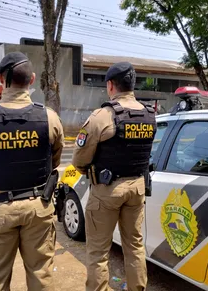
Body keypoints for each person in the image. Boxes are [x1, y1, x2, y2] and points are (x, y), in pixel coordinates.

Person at [0, 51, 65, 291]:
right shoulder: (49, 117)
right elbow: (55, 160)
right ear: (31, 79)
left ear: (0, 79)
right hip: (38, 208)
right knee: (41, 276)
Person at [72, 62, 157, 291]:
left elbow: (79, 160)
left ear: (110, 85)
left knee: (98, 252)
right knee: (135, 247)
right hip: (137, 188)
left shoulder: (102, 116)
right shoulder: (150, 115)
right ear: (132, 84)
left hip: (107, 190)